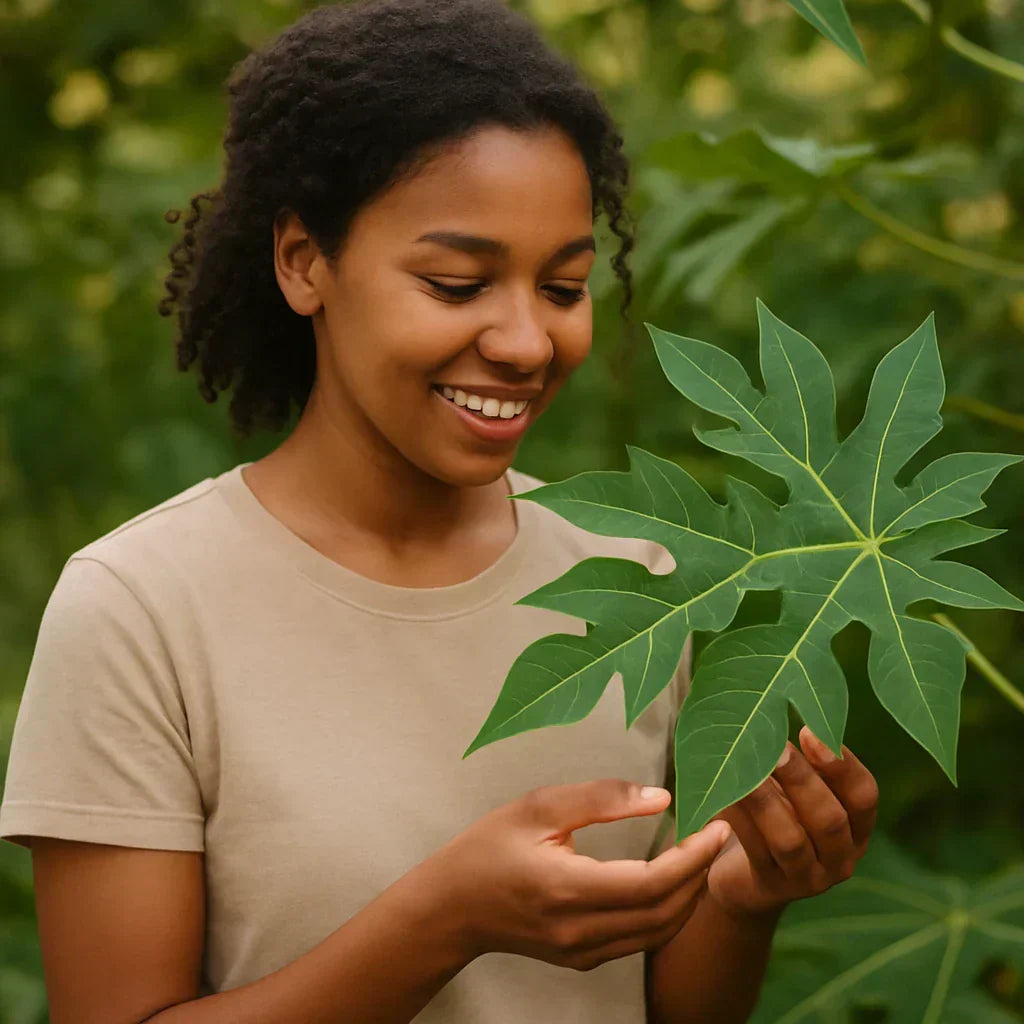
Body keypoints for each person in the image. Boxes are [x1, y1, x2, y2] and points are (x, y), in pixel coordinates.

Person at [0, 1, 880, 1021]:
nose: (523, 341)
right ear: (302, 262)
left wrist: (740, 895)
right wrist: (443, 919)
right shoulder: (140, 607)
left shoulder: (640, 576)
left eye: (562, 285)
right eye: (456, 283)